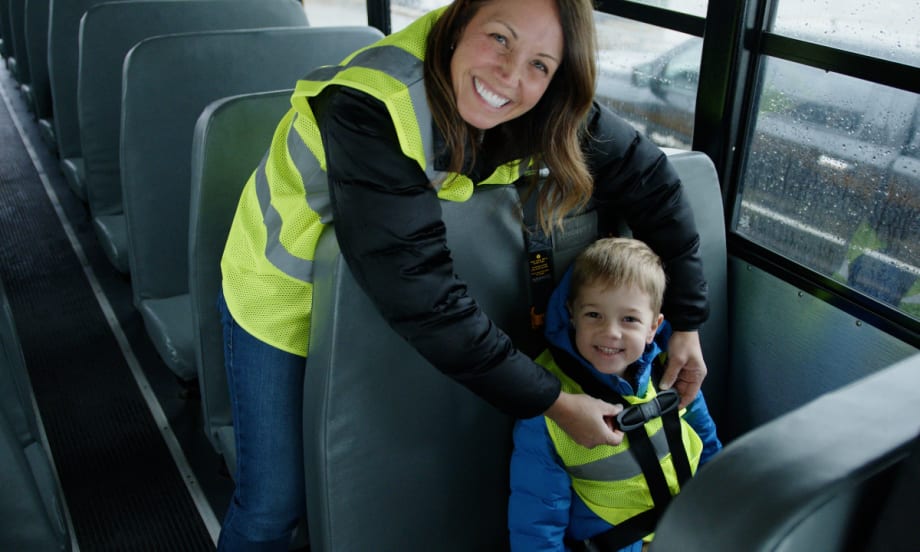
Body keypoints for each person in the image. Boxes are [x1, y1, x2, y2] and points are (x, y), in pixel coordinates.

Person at [217, 0, 710, 548]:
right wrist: (553, 401)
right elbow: (419, 290)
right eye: (499, 38)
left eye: (540, 64)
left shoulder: (546, 105)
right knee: (273, 507)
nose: (511, 75)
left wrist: (685, 323)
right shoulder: (371, 105)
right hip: (281, 294)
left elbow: (653, 185)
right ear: (457, 24)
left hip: (375, 308)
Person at [508, 237, 722, 551]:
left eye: (630, 319)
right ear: (572, 314)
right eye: (594, 315)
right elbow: (536, 524)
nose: (611, 332)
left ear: (654, 326)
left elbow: (708, 449)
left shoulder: (670, 371)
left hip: (691, 528)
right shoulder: (548, 404)